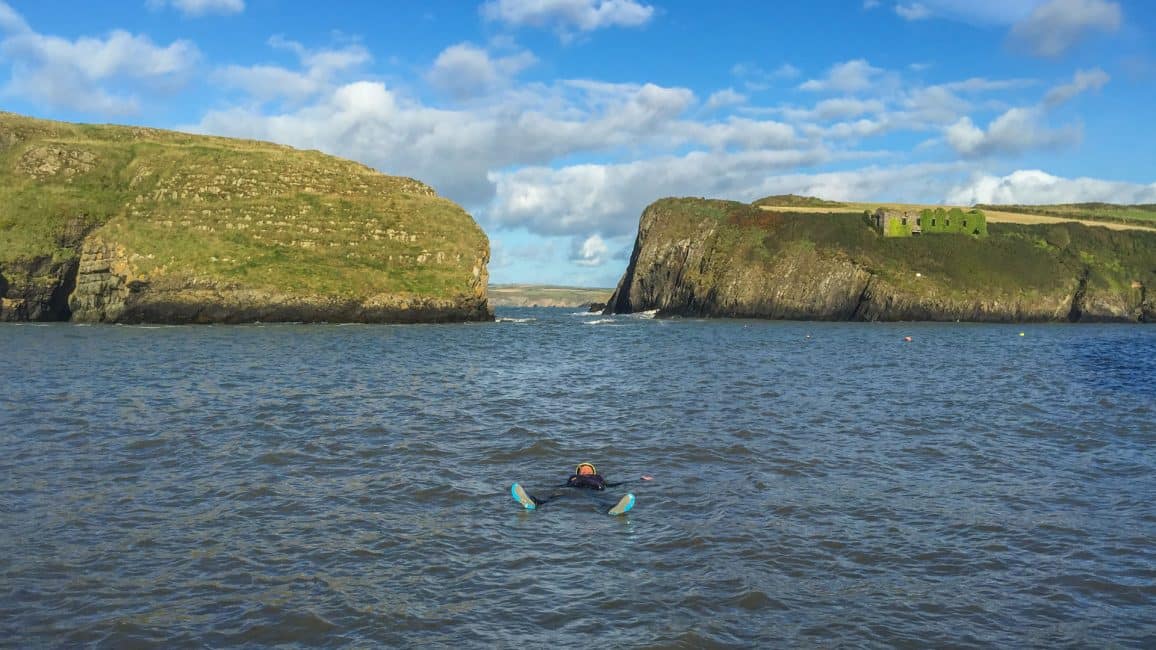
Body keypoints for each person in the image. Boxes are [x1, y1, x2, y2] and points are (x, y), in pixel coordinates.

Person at [510, 462, 652, 515]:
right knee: (553, 496)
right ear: (578, 473)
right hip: (572, 491)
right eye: (582, 470)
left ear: (593, 472)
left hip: (592, 492)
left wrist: (639, 480)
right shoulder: (572, 479)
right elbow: (559, 486)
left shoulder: (599, 479)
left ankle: (613, 510)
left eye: (587, 470)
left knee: (600, 501)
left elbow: (616, 484)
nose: (584, 472)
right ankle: (533, 503)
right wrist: (540, 488)